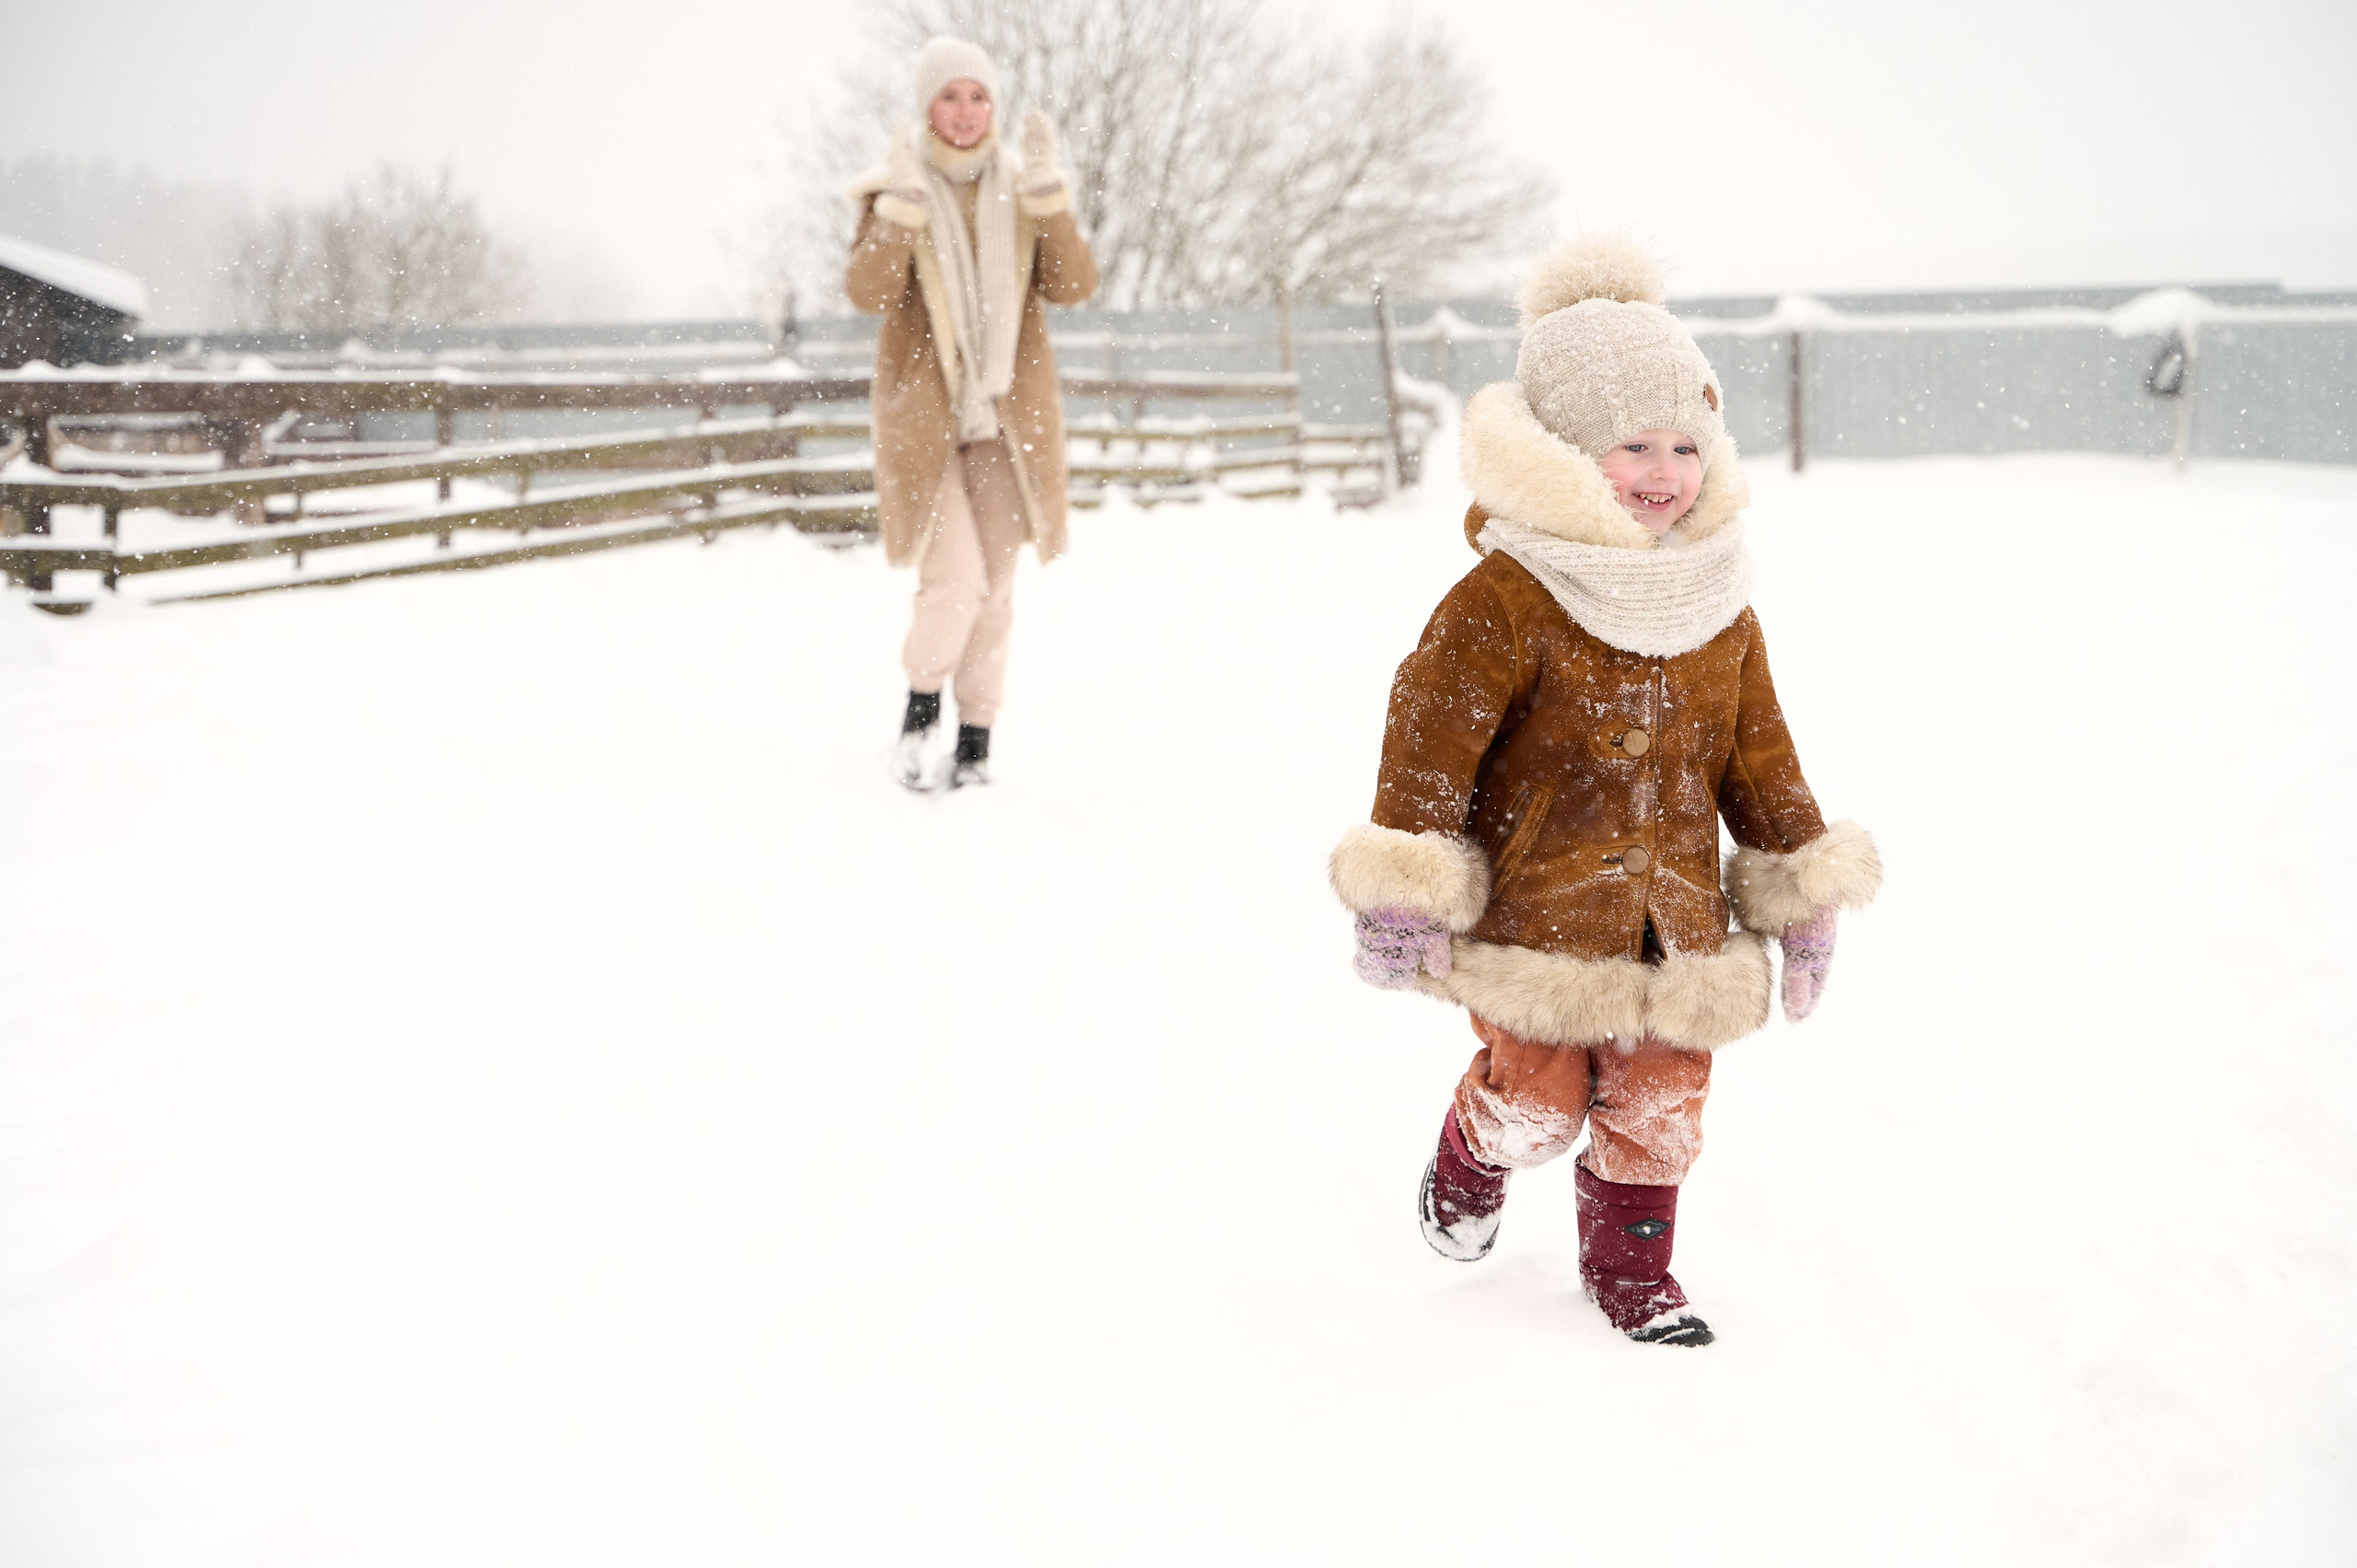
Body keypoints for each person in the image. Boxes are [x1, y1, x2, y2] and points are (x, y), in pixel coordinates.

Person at [1328, 236, 1881, 1346]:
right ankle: (1472, 1152)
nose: (1664, 469)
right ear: (1571, 452)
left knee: (1660, 1113)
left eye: (1685, 442)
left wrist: (1800, 883)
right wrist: (1405, 884)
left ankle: (1635, 1275)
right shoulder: (1508, 596)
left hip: (1675, 922)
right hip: (1539, 912)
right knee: (1539, 1104)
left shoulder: (1720, 598)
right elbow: (1430, 735)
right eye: (1633, 443)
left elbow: (1758, 755)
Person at [844, 35, 1099, 790]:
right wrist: (899, 212)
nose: (965, 111)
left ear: (994, 106)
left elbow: (1073, 284)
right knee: (954, 583)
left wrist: (1052, 204)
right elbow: (869, 293)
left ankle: (976, 745)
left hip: (1007, 426)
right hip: (927, 426)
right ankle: (918, 727)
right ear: (928, 106)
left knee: (997, 590)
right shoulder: (892, 187)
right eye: (950, 96)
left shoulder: (1025, 189)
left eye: (978, 95)